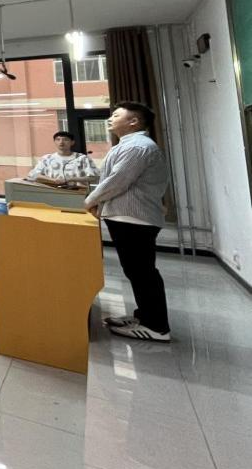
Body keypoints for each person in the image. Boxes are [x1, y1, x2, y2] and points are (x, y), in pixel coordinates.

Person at [86, 103, 172, 342]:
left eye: (116, 115)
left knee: (142, 272)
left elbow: (117, 180)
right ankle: (144, 316)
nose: (110, 118)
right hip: (127, 217)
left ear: (133, 121)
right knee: (136, 271)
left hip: (135, 218)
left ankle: (156, 326)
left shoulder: (138, 147)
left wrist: (89, 201)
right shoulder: (128, 145)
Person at [28, 131, 100, 186]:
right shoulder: (47, 158)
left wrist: (70, 179)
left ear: (72, 142)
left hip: (77, 194)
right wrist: (53, 180)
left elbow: (94, 177)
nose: (61, 142)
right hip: (52, 192)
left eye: (65, 139)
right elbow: (33, 175)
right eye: (58, 139)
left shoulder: (82, 158)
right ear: (54, 142)